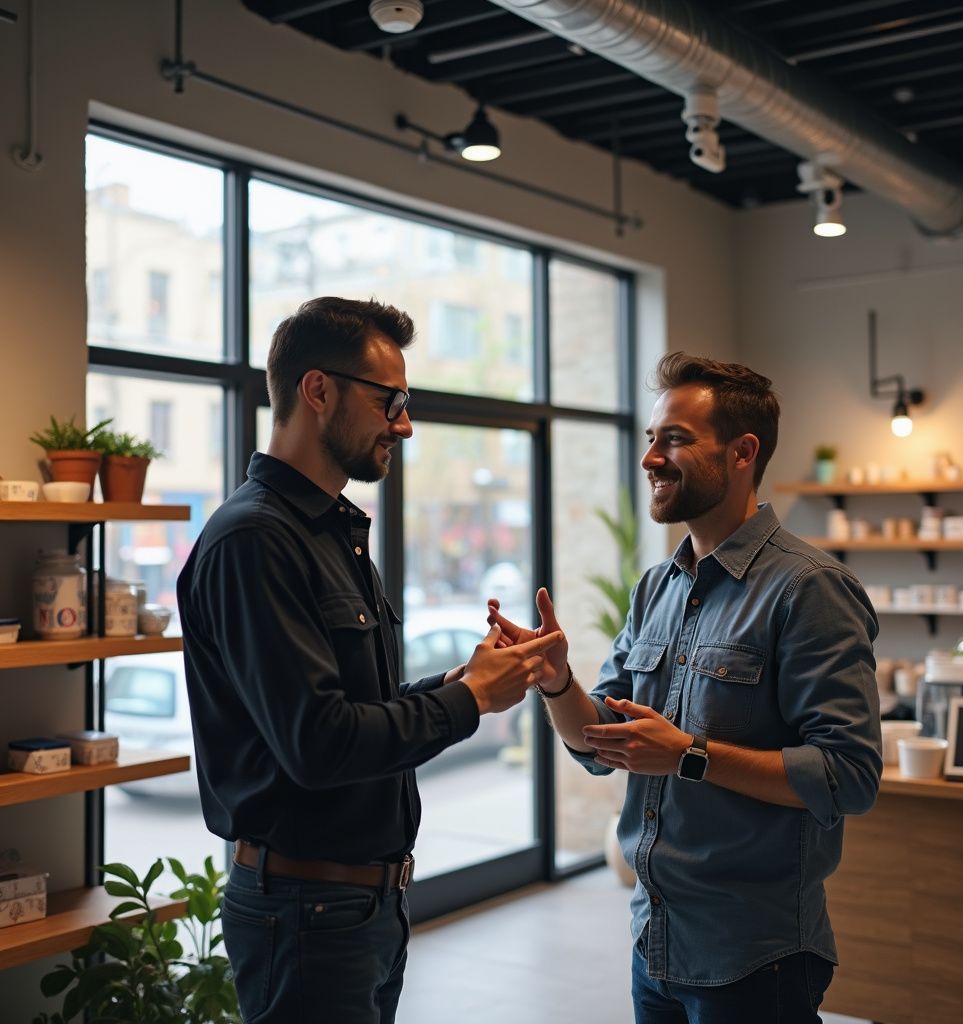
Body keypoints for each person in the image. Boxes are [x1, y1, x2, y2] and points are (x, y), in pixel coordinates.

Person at [177, 296, 560, 1024]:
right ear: (318, 391)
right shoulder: (255, 541)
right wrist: (469, 699)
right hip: (307, 907)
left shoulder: (330, 532)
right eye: (391, 401)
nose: (405, 424)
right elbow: (318, 744)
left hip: (357, 906)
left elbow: (354, 706)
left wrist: (459, 683)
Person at [488, 353, 882, 1023]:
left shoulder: (808, 588)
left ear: (742, 453)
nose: (650, 460)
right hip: (655, 945)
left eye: (673, 440)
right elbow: (598, 745)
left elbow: (849, 776)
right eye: (649, 440)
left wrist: (688, 755)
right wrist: (557, 680)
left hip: (756, 956)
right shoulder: (655, 589)